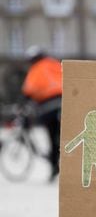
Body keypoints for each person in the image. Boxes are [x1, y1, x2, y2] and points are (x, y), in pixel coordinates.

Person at [22, 46, 62, 182]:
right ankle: (57, 160)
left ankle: (54, 164)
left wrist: (24, 103)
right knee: (61, 134)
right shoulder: (55, 64)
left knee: (52, 136)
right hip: (65, 100)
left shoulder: (37, 68)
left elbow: (28, 90)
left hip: (49, 105)